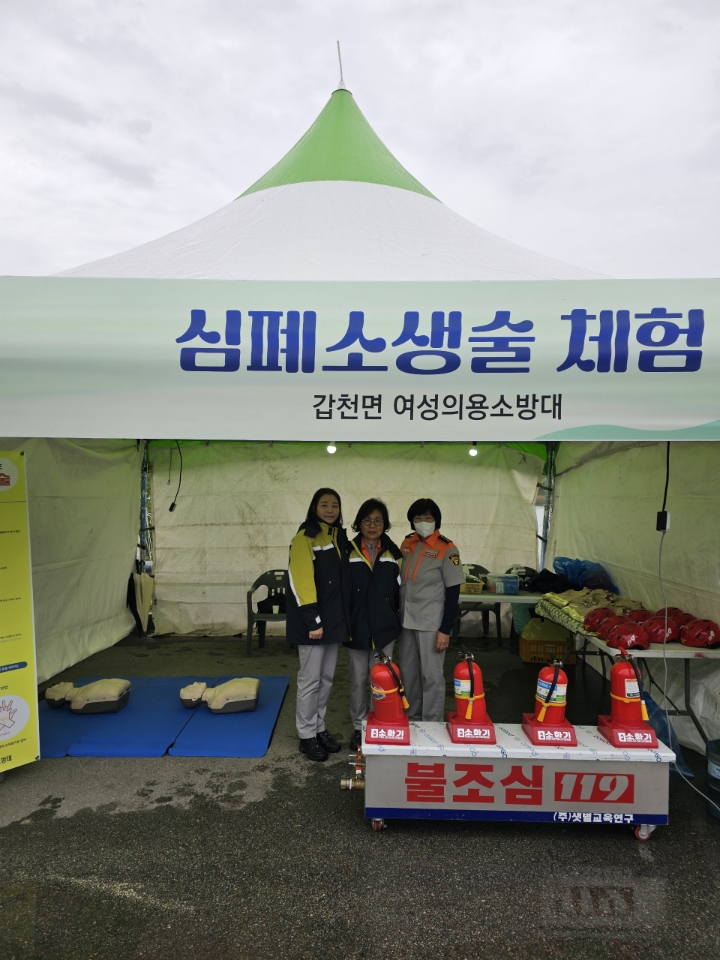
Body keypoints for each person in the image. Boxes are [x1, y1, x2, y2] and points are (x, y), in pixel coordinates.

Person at [287, 488, 350, 762]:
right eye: (324, 504)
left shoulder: (337, 537)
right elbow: (300, 582)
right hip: (313, 623)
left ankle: (318, 728)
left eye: (335, 505)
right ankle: (306, 736)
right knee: (310, 680)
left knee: (326, 679)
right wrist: (312, 619)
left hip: (332, 623)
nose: (330, 510)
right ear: (314, 507)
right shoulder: (305, 537)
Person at [344, 498, 403, 750]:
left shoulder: (394, 554)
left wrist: (393, 619)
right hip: (355, 629)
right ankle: (359, 727)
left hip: (384, 629)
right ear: (359, 523)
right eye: (367, 520)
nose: (372, 525)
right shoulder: (347, 551)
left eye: (378, 521)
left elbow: (400, 592)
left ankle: (378, 722)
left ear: (384, 525)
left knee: (382, 679)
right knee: (358, 681)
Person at [398, 498, 464, 722]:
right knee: (409, 673)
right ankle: (413, 718)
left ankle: (431, 724)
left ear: (436, 520)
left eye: (428, 517)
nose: (423, 522)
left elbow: (453, 593)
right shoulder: (407, 544)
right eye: (418, 518)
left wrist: (445, 629)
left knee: (431, 676)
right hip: (407, 620)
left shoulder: (447, 549)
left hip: (431, 623)